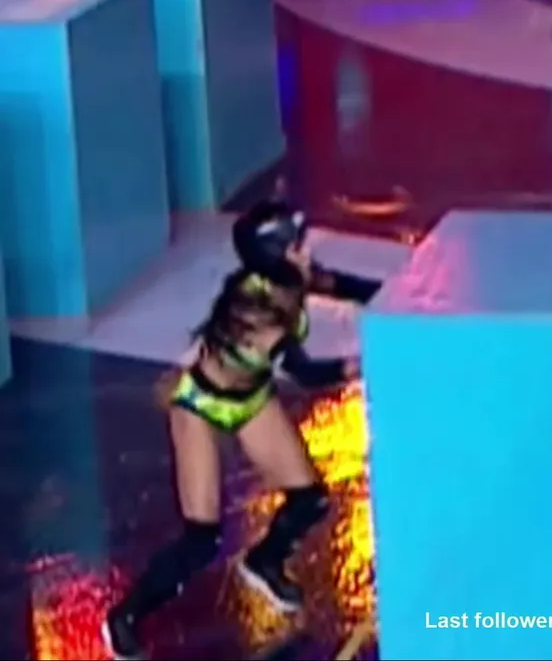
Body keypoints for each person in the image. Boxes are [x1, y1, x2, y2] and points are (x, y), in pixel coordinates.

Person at [102, 202, 381, 660]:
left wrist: (398, 298)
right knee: (201, 539)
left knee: (309, 498)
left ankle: (264, 560)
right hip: (202, 405)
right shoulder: (257, 312)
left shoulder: (289, 277)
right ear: (274, 257)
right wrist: (357, 365)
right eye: (294, 247)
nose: (306, 254)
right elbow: (305, 373)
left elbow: (344, 285)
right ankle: (125, 617)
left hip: (250, 398)